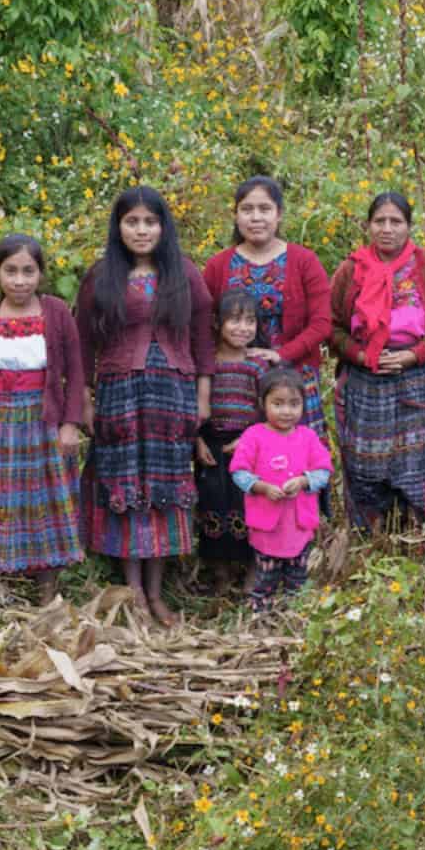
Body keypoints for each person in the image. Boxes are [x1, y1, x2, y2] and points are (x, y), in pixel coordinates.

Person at [76, 186, 215, 626]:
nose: (141, 230)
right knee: (125, 489)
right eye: (132, 222)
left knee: (163, 490)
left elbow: (203, 339)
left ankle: (156, 594)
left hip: (171, 396)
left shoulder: (185, 274)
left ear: (163, 227)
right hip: (119, 395)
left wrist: (203, 397)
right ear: (118, 227)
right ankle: (132, 592)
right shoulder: (101, 277)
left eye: (150, 222)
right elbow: (83, 344)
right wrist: (84, 399)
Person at [0, 234, 85, 604]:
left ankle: (47, 589)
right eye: (10, 271)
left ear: (40, 274)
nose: (19, 280)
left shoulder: (57, 313)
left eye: (28, 271)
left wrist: (70, 423)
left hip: (43, 421)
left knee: (45, 499)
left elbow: (76, 374)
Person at [330, 192, 425, 529]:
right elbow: (330, 325)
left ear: (408, 226)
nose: (387, 229)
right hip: (367, 382)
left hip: (424, 379)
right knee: (366, 465)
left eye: (396, 221)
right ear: (367, 225)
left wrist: (412, 355)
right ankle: (373, 536)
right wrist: (361, 355)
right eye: (380, 221)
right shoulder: (350, 271)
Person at [202, 175, 331, 448]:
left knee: (295, 463)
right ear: (236, 215)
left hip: (293, 380)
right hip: (234, 382)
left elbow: (322, 323)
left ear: (279, 214)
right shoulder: (218, 266)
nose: (256, 217)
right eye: (247, 210)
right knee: (238, 461)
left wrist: (281, 355)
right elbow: (204, 324)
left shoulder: (304, 261)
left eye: (265, 209)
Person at [229, 367, 333, 612]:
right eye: (278, 403)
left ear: (303, 405)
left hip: (298, 524)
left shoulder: (307, 437)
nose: (286, 411)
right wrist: (261, 487)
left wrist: (304, 481)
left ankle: (293, 615)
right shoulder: (253, 436)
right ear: (263, 404)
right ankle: (261, 615)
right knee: (266, 576)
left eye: (294, 404)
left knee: (297, 576)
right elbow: (239, 472)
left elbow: (324, 471)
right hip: (268, 525)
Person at [194, 290, 267, 595]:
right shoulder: (207, 364)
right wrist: (196, 441)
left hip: (248, 446)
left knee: (247, 507)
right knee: (212, 504)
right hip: (211, 443)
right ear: (217, 323)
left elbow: (266, 410)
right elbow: (194, 405)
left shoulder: (259, 366)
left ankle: (252, 573)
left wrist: (247, 439)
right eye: (235, 320)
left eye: (250, 321)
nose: (243, 328)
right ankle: (220, 575)